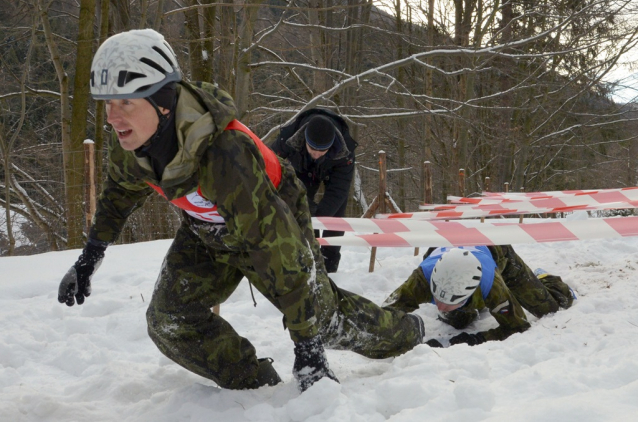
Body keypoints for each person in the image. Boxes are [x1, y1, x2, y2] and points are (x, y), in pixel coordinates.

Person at [57, 29, 425, 392]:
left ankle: (408, 332)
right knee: (169, 320)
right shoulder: (134, 144)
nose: (112, 117)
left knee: (320, 320)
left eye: (125, 103)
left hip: (273, 221)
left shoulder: (224, 154)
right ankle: (255, 384)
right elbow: (119, 193)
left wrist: (307, 348)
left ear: (162, 102)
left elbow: (274, 246)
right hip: (207, 231)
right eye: (107, 103)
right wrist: (91, 255)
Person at [383, 245, 576, 347]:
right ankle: (469, 307)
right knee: (458, 320)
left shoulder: (491, 284)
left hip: (498, 254)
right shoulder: (421, 279)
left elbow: (518, 326)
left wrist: (474, 340)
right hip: (445, 246)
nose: (440, 306)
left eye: (450, 301)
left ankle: (543, 277)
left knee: (553, 307)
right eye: (438, 298)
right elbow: (385, 314)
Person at [269, 109, 357, 273]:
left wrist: (322, 215)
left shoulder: (345, 151)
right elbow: (268, 163)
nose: (316, 155)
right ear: (305, 141)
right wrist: (309, 212)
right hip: (301, 170)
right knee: (302, 208)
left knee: (336, 213)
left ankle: (329, 264)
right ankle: (306, 256)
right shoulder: (288, 137)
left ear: (331, 146)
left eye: (321, 151)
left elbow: (340, 189)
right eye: (313, 150)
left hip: (332, 171)